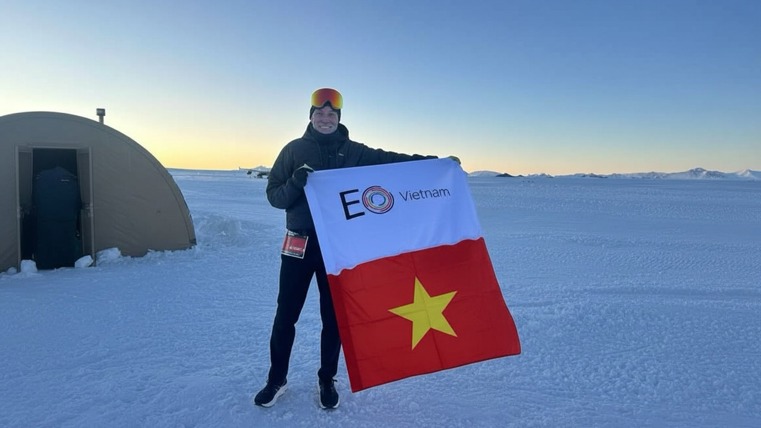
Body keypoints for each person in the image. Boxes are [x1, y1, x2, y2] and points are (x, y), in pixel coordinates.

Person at [255, 88, 450, 409]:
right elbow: (274, 195)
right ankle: (276, 379)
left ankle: (326, 378)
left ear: (339, 118)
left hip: (337, 245)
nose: (326, 118)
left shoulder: (354, 152)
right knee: (285, 314)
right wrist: (296, 182)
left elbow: (392, 162)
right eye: (320, 113)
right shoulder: (293, 150)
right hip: (298, 243)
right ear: (311, 116)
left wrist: (435, 165)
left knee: (334, 318)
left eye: (332, 114)